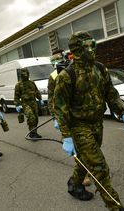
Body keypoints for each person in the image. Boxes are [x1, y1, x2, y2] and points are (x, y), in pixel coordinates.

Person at [54, 31, 124, 211]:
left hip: (97, 123)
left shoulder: (100, 68)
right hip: (79, 126)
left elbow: (110, 93)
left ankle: (75, 184)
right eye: (86, 46)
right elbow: (60, 107)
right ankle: (115, 206)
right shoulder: (67, 75)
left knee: (84, 158)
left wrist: (123, 112)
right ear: (77, 49)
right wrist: (66, 136)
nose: (90, 50)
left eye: (92, 45)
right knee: (99, 166)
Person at [48, 49, 92, 186]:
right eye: (54, 59)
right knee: (78, 147)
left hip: (82, 114)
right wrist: (55, 117)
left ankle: (87, 169)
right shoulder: (54, 76)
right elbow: (51, 99)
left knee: (89, 145)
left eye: (58, 58)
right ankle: (82, 174)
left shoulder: (73, 70)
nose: (57, 60)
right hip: (66, 116)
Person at [14, 68, 44, 139]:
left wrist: (40, 99)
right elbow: (16, 96)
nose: (25, 76)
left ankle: (35, 132)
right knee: (31, 118)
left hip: (33, 102)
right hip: (25, 103)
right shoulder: (18, 85)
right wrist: (17, 105)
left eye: (26, 74)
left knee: (36, 118)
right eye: (24, 74)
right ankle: (32, 134)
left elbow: (36, 91)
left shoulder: (31, 83)